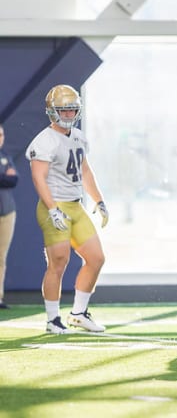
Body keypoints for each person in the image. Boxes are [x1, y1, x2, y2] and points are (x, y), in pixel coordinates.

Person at [25, 84, 109, 334]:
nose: (70, 115)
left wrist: (99, 200)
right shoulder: (44, 141)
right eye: (65, 110)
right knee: (59, 261)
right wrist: (52, 209)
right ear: (52, 111)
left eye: (73, 110)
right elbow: (38, 178)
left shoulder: (79, 137)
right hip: (55, 205)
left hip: (75, 205)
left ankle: (79, 313)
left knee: (96, 258)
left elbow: (84, 171)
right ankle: (53, 319)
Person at [0, 124, 18, 309]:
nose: (0, 137)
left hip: (7, 211)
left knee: (1, 257)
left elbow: (14, 179)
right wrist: (4, 176)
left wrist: (5, 177)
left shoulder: (5, 157)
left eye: (2, 134)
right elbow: (7, 178)